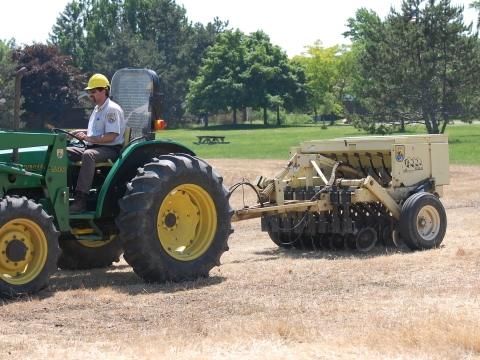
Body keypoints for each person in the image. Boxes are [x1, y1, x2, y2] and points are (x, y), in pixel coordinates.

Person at [68, 74, 125, 213]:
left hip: (110, 150)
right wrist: (75, 132)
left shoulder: (112, 109)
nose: (89, 94)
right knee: (63, 152)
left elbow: (111, 136)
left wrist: (89, 139)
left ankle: (81, 200)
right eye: (89, 91)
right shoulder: (97, 109)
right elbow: (94, 131)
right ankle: (65, 192)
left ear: (103, 91)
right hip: (94, 146)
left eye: (93, 91)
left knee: (88, 155)